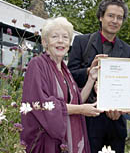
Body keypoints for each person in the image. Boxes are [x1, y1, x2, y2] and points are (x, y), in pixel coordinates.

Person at [21, 17, 103, 153]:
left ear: (69, 43)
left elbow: (77, 101)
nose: (60, 41)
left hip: (68, 141)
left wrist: (91, 79)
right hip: (47, 142)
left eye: (65, 37)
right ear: (45, 42)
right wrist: (81, 110)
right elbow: (41, 104)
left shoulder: (65, 71)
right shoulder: (37, 64)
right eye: (54, 36)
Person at [68, 0, 130, 153]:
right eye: (111, 15)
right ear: (100, 17)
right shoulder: (81, 42)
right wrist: (89, 71)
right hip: (88, 119)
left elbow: (128, 87)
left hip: (115, 123)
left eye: (119, 18)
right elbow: (69, 76)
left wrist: (121, 110)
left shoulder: (128, 51)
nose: (115, 21)